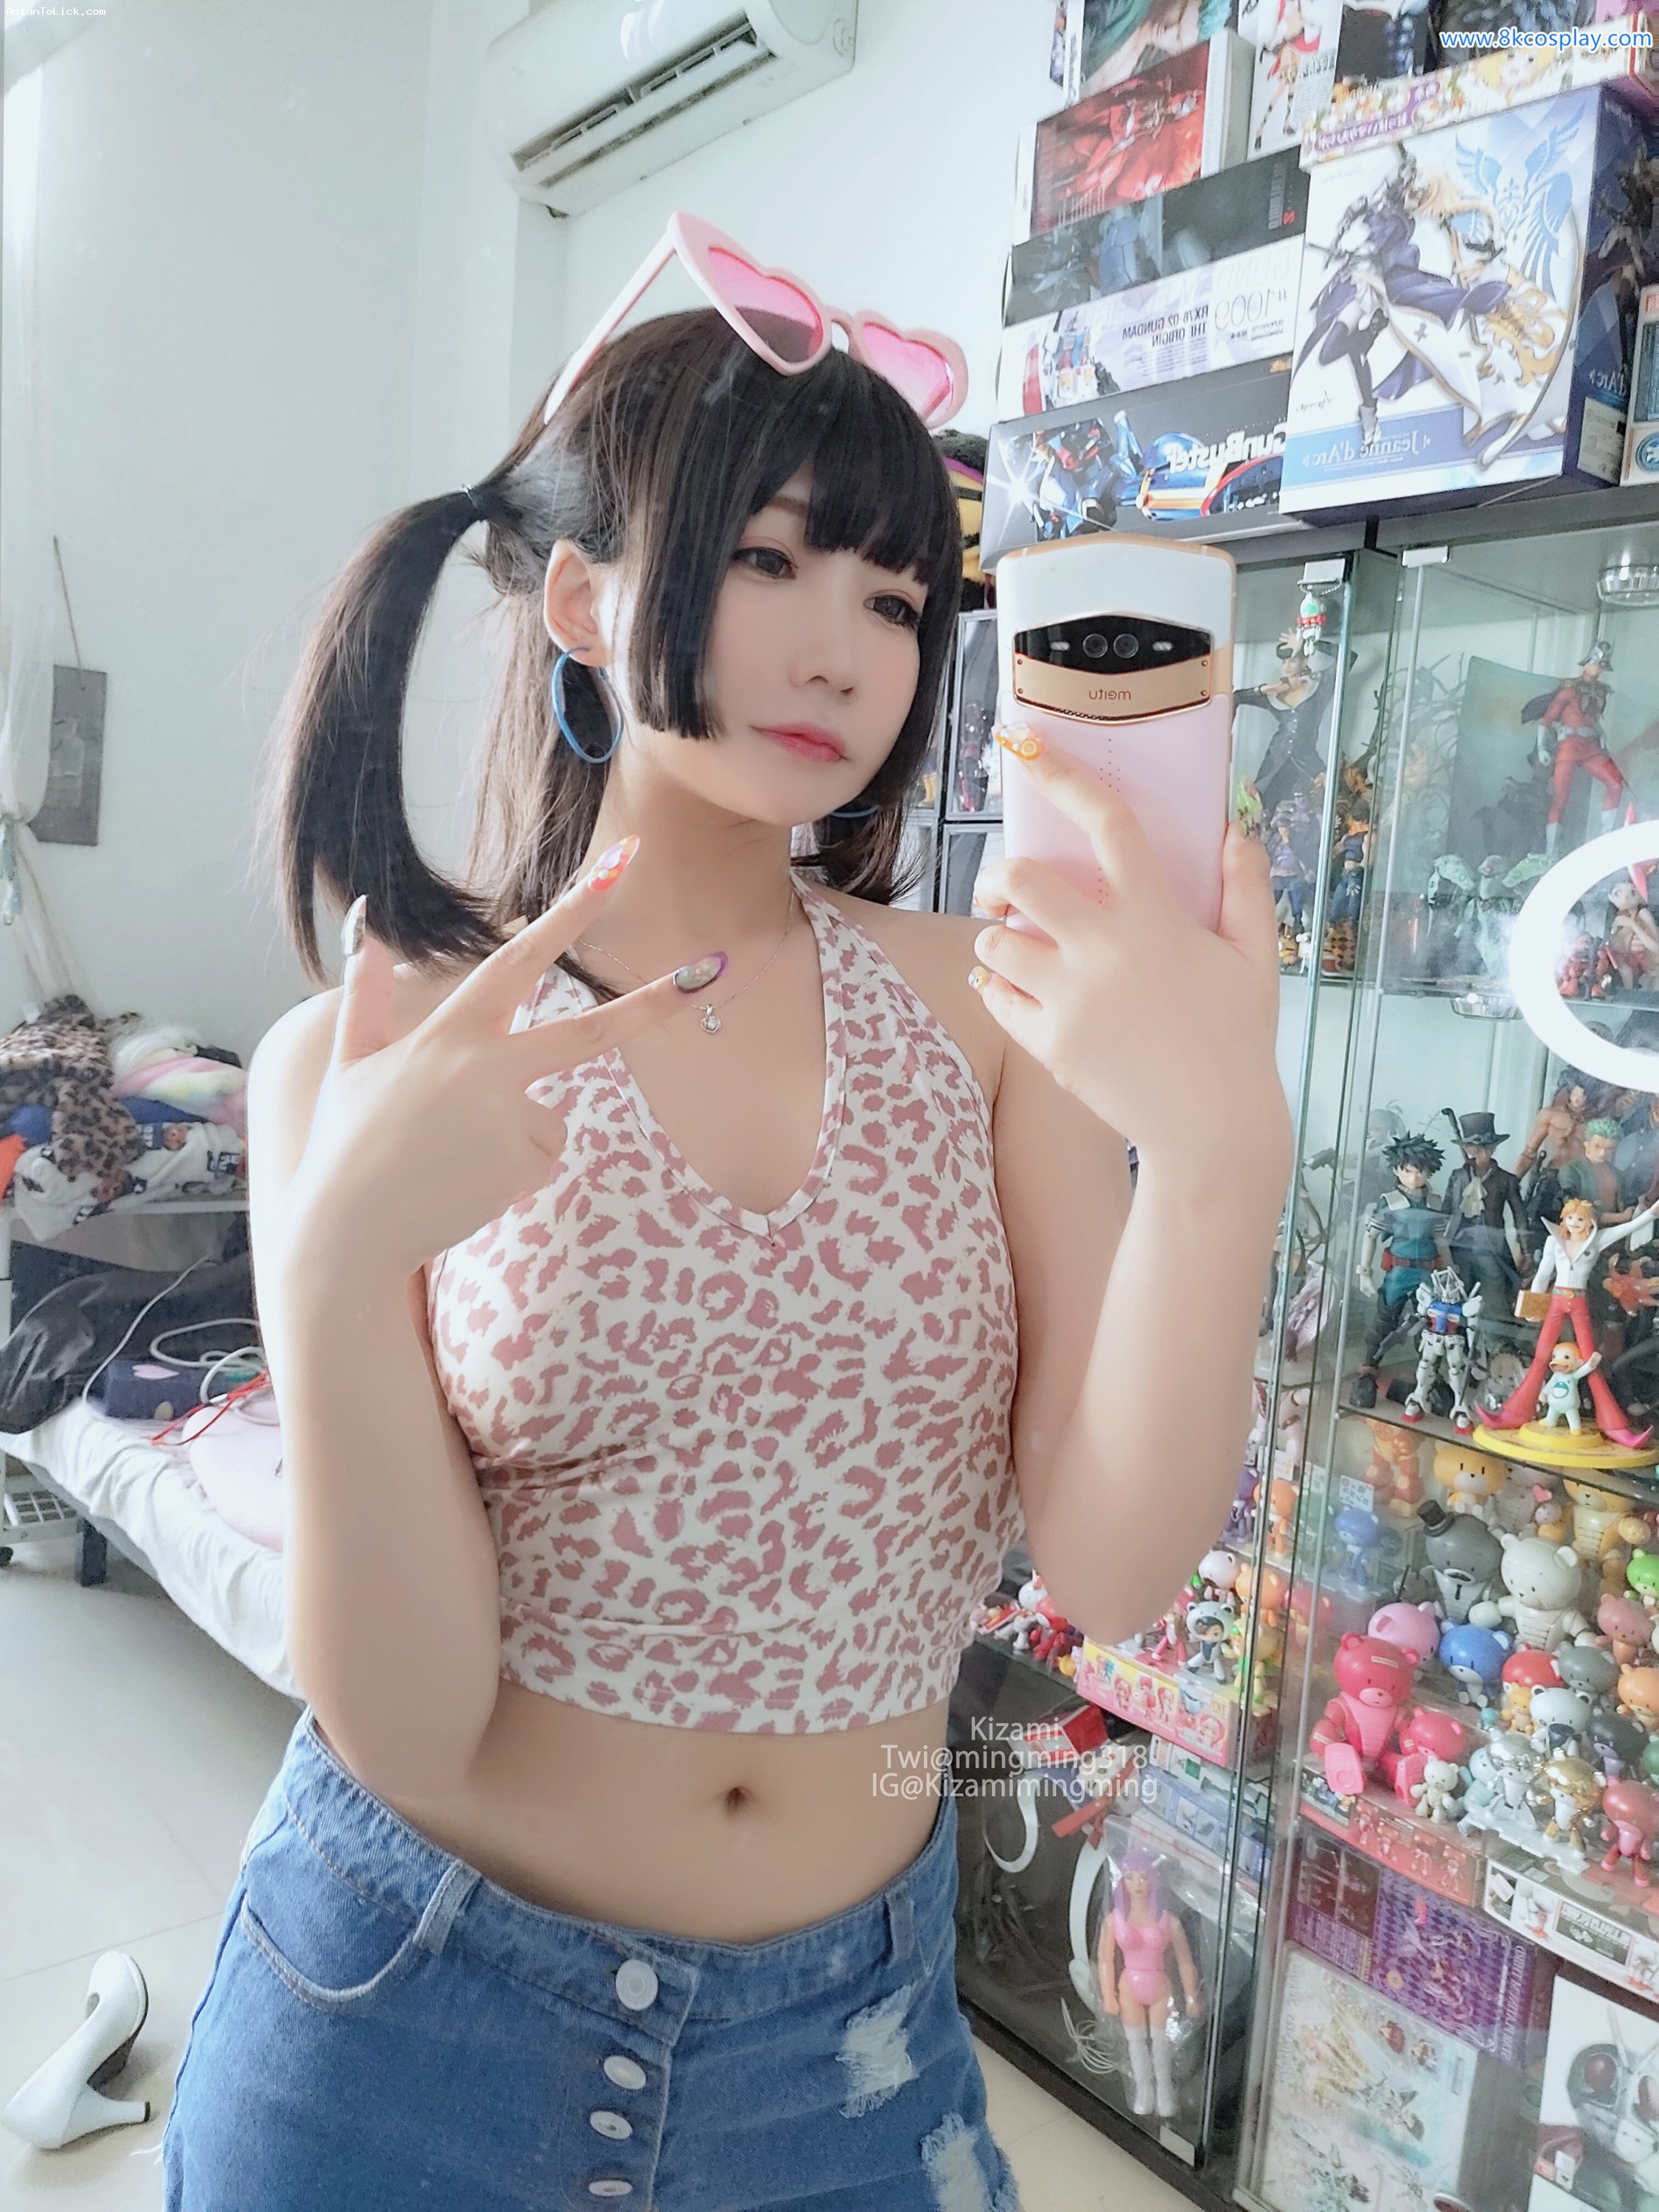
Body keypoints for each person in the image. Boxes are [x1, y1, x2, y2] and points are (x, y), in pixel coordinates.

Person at [161, 220, 1287, 2211]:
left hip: (846, 2055)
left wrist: (1220, 1158)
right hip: (408, 2015)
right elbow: (409, 1724)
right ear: (582, 598)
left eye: (895, 595)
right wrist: (331, 1281)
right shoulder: (368, 1052)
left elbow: (1110, 1572)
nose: (845, 649)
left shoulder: (985, 1012)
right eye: (770, 560)